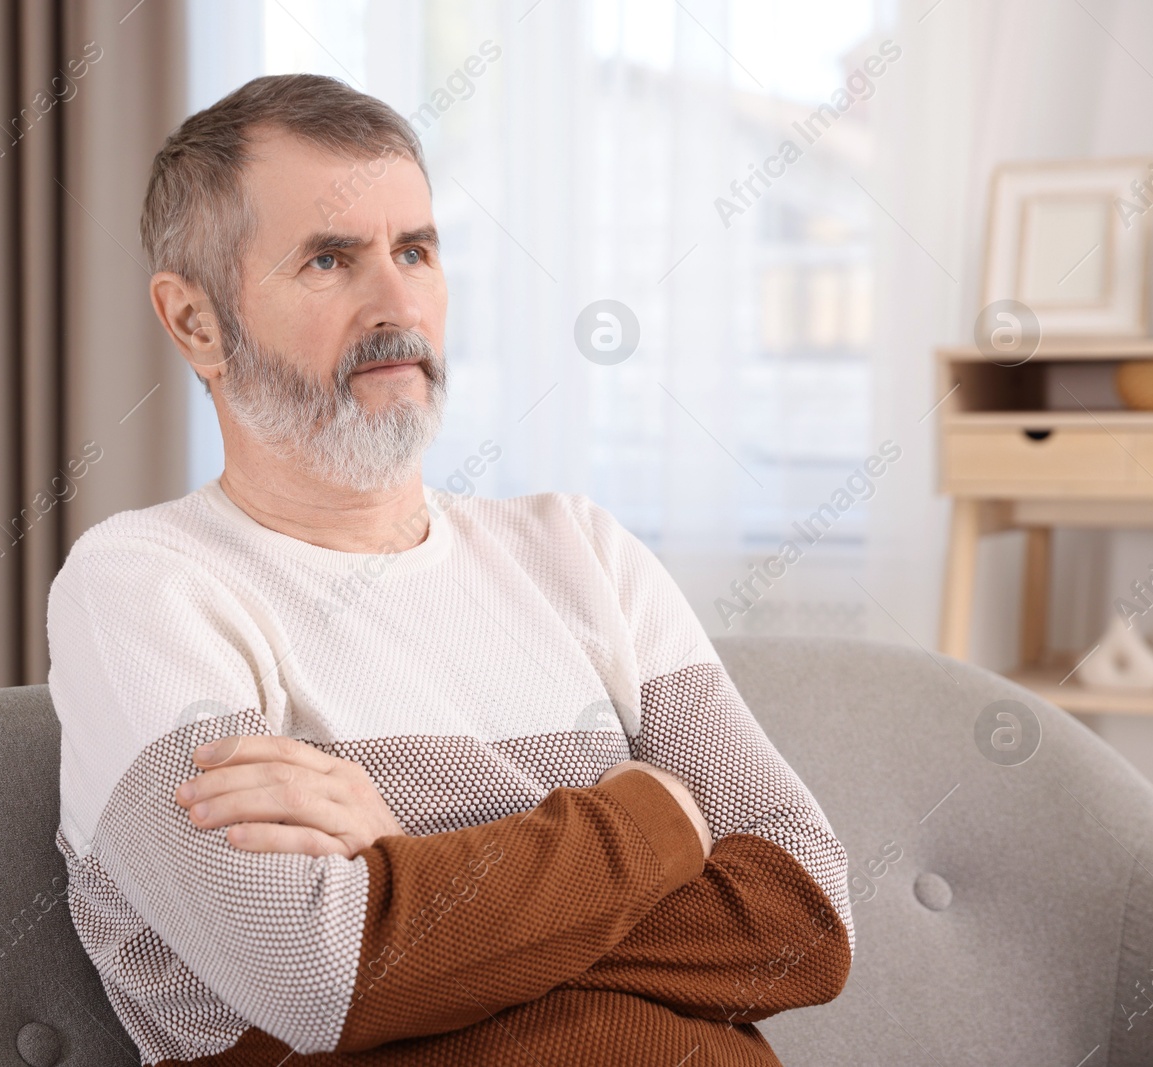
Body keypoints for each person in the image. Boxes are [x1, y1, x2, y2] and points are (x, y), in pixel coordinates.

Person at [46, 73, 852, 1066]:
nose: (397, 304)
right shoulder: (142, 586)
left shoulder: (580, 548)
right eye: (329, 259)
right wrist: (660, 816)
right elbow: (318, 975)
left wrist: (411, 873)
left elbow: (803, 916)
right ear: (195, 322)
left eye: (415, 251)